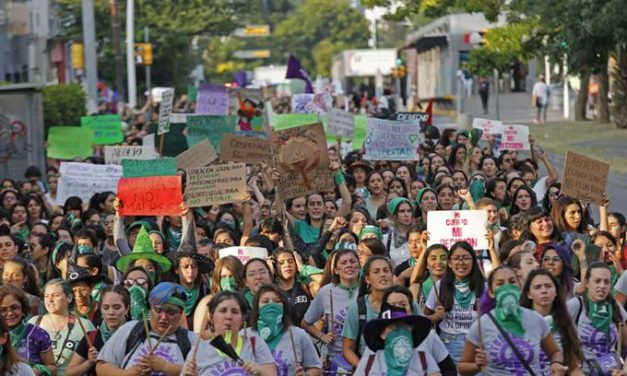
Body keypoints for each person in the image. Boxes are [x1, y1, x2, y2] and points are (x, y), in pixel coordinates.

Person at [458, 265, 567, 375]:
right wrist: (476, 365)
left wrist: (556, 363)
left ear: (519, 286)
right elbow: (462, 367)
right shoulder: (481, 325)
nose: (507, 287)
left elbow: (555, 352)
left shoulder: (536, 319)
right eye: (500, 284)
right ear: (491, 292)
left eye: (512, 281)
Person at [96, 282, 196, 376]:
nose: (164, 317)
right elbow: (101, 367)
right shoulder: (131, 329)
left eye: (171, 312)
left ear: (181, 313)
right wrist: (124, 374)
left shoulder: (192, 341)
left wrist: (167, 367)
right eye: (158, 310)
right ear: (150, 309)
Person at [181, 291, 276, 376]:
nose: (229, 316)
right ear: (211, 316)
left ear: (242, 318)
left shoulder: (254, 342)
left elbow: (272, 373)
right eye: (222, 311)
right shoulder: (197, 351)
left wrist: (259, 371)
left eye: (235, 312)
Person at [424, 241, 485, 362]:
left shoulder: (484, 287)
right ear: (450, 263)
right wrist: (435, 316)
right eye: (456, 258)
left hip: (478, 343)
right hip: (449, 343)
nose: (461, 262)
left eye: (466, 258)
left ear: (473, 262)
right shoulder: (440, 286)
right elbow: (424, 317)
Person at [302, 249, 359, 373]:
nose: (349, 265)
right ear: (336, 270)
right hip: (338, 360)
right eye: (343, 263)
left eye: (352, 261)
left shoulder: (367, 290)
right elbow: (305, 323)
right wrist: (321, 336)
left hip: (363, 357)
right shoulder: (326, 292)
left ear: (359, 266)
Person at [567, 262, 627, 374]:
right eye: (597, 281)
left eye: (607, 282)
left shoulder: (614, 306)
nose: (602, 286)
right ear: (587, 283)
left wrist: (624, 370)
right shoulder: (575, 305)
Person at [520, 269, 584, 374]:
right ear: (529, 294)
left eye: (548, 286)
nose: (544, 290)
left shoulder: (565, 322)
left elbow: (574, 368)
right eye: (538, 287)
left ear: (556, 293)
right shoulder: (519, 323)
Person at [250, 284, 321, 375]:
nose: (271, 305)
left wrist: (306, 375)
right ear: (257, 308)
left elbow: (316, 368)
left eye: (277, 301)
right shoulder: (247, 336)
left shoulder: (298, 335)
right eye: (265, 301)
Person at [29, 279, 95, 375]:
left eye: (55, 295)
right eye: (46, 296)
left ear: (69, 298)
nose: (50, 300)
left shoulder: (85, 326)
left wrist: (88, 363)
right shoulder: (33, 323)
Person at [354, 303, 439, 375]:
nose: (400, 331)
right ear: (382, 334)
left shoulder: (424, 359)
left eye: (405, 326)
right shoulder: (369, 363)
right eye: (393, 327)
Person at [66, 286, 130, 376]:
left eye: (117, 307)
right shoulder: (91, 337)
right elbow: (69, 373)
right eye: (106, 307)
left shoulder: (136, 335)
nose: (111, 312)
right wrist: (88, 363)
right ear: (101, 309)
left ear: (127, 309)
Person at [0, 285, 56, 375]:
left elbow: (53, 368)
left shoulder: (38, 334)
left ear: (23, 308)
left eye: (14, 307)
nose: (9, 313)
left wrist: (38, 370)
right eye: (3, 310)